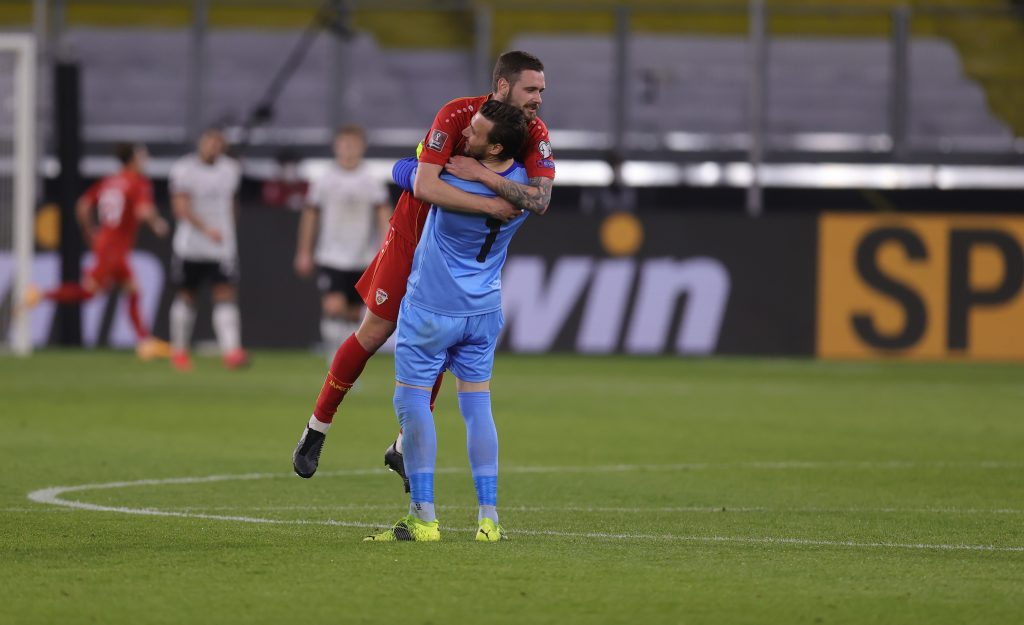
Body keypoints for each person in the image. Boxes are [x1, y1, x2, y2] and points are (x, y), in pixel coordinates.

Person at [292, 51, 556, 484]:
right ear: (504, 87)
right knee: (374, 332)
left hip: (453, 253)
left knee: (439, 347)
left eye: (542, 90)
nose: (539, 98)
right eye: (532, 89)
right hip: (412, 235)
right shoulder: (457, 115)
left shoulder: (535, 134)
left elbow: (541, 200)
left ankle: (402, 445)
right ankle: (316, 428)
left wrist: (484, 177)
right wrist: (489, 202)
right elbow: (425, 184)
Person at [364, 100, 530, 542]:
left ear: (494, 146)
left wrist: (430, 161)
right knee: (478, 408)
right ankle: (489, 520)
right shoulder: (521, 185)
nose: (465, 136)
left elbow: (407, 174)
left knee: (412, 405)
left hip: (432, 310)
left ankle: (423, 518)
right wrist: (487, 177)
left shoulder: (452, 176)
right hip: (484, 310)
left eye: (475, 133)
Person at [23, 143, 171, 360]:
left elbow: (82, 205)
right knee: (90, 292)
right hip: (115, 247)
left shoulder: (110, 180)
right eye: (142, 156)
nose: (145, 160)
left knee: (132, 289)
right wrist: (158, 223)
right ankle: (41, 294)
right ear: (132, 159)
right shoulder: (138, 182)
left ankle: (144, 342)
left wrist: (90, 232)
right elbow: (143, 211)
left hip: (106, 242)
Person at [294, 126, 391, 358]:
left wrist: (385, 249)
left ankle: (346, 365)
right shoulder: (324, 179)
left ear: (362, 146)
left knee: (353, 314)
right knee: (333, 306)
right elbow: (310, 215)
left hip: (362, 256)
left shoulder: (371, 180)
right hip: (331, 255)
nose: (348, 149)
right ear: (336, 146)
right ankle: (333, 360)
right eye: (344, 143)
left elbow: (384, 215)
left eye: (353, 144)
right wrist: (304, 251)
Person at [167, 128, 247, 371]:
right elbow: (180, 207)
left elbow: (232, 203)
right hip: (190, 246)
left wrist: (228, 230)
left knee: (224, 294)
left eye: (217, 142)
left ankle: (231, 351)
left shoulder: (231, 169)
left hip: (221, 248)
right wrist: (206, 230)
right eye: (209, 141)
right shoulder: (184, 169)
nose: (213, 146)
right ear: (201, 143)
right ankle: (179, 351)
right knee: (187, 296)